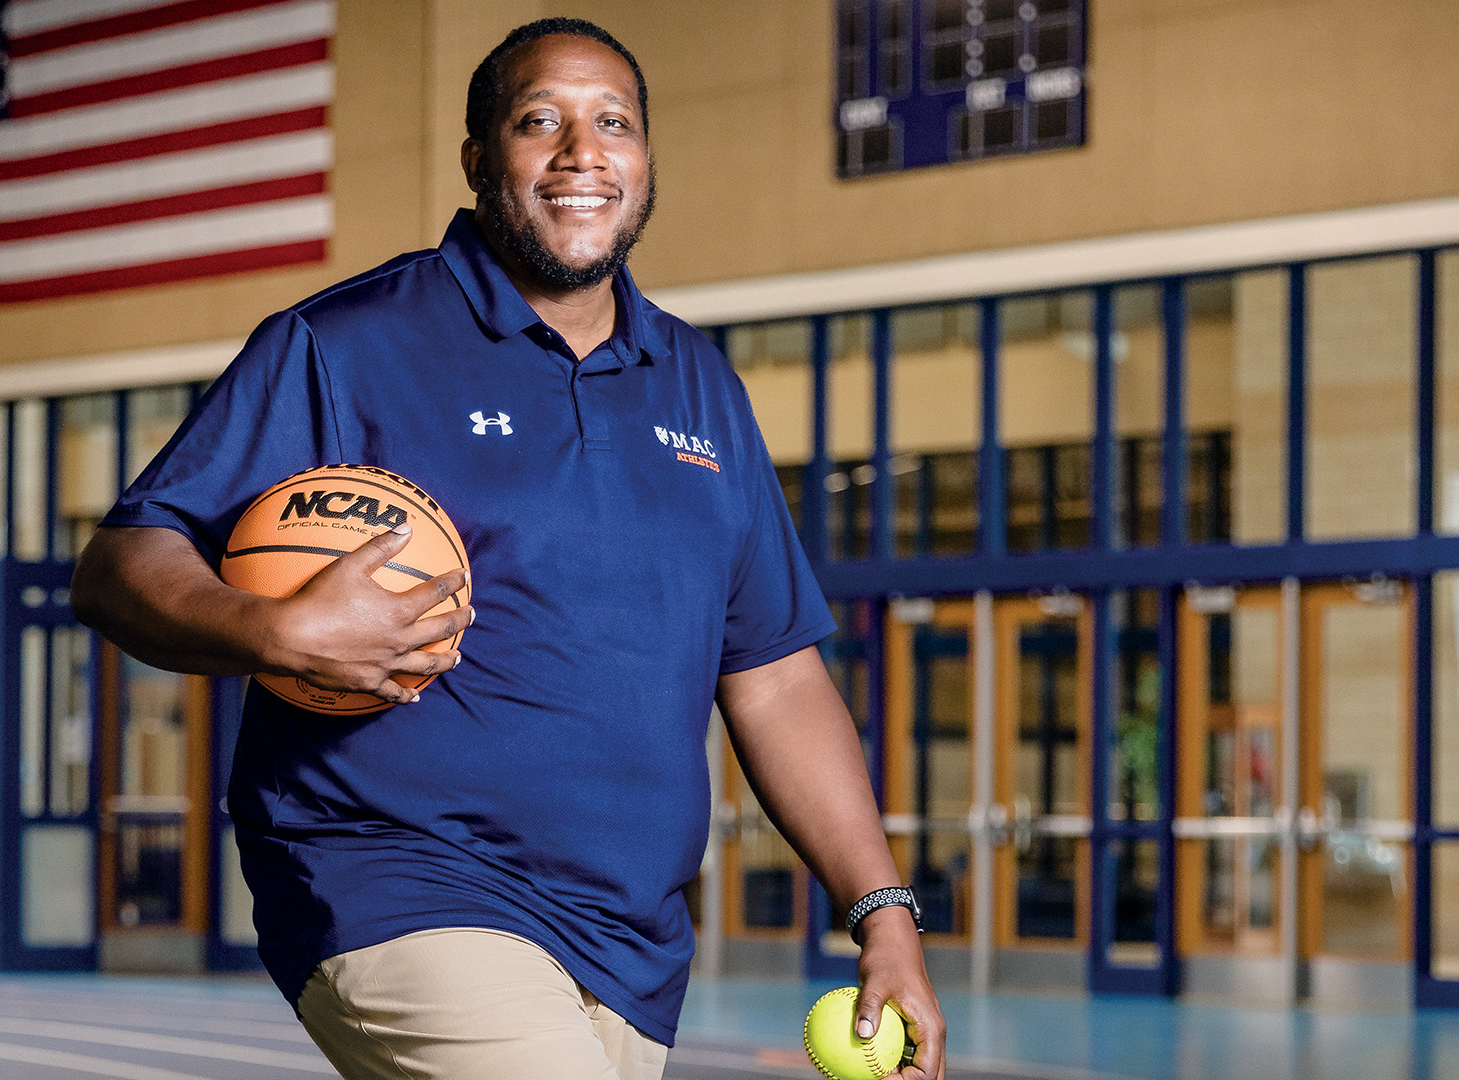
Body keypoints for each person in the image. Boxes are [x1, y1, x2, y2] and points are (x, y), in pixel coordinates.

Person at [70, 17, 946, 1080]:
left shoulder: (700, 385)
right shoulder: (346, 345)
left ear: (646, 161)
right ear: (480, 159)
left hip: (631, 945)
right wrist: (271, 628)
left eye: (613, 123)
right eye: (542, 121)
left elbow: (770, 676)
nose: (584, 152)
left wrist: (884, 915)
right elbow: (122, 561)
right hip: (398, 880)